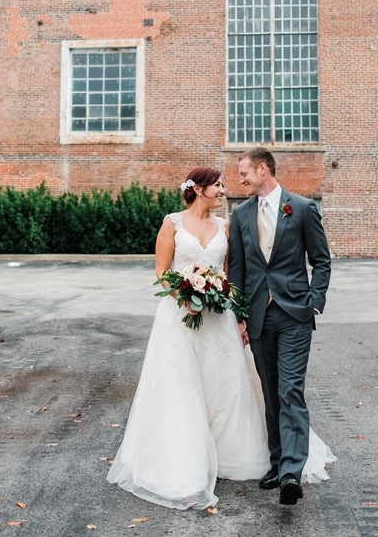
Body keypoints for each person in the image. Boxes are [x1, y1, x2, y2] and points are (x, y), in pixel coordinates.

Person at [106, 165, 335, 510]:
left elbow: (233, 271)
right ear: (198, 189)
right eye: (217, 185)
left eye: (225, 184)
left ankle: (240, 454)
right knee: (181, 386)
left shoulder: (226, 226)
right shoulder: (172, 223)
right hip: (179, 318)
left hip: (218, 315)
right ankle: (186, 459)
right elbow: (161, 270)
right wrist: (184, 295)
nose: (224, 190)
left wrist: (220, 295)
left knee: (227, 385)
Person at [228, 147, 332, 506]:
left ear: (262, 169)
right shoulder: (240, 214)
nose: (239, 178)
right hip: (258, 315)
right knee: (271, 393)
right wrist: (239, 315)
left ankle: (291, 471)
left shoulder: (302, 209)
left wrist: (313, 303)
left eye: (244, 172)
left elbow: (321, 261)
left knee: (290, 390)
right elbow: (238, 270)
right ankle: (276, 463)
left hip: (294, 315)